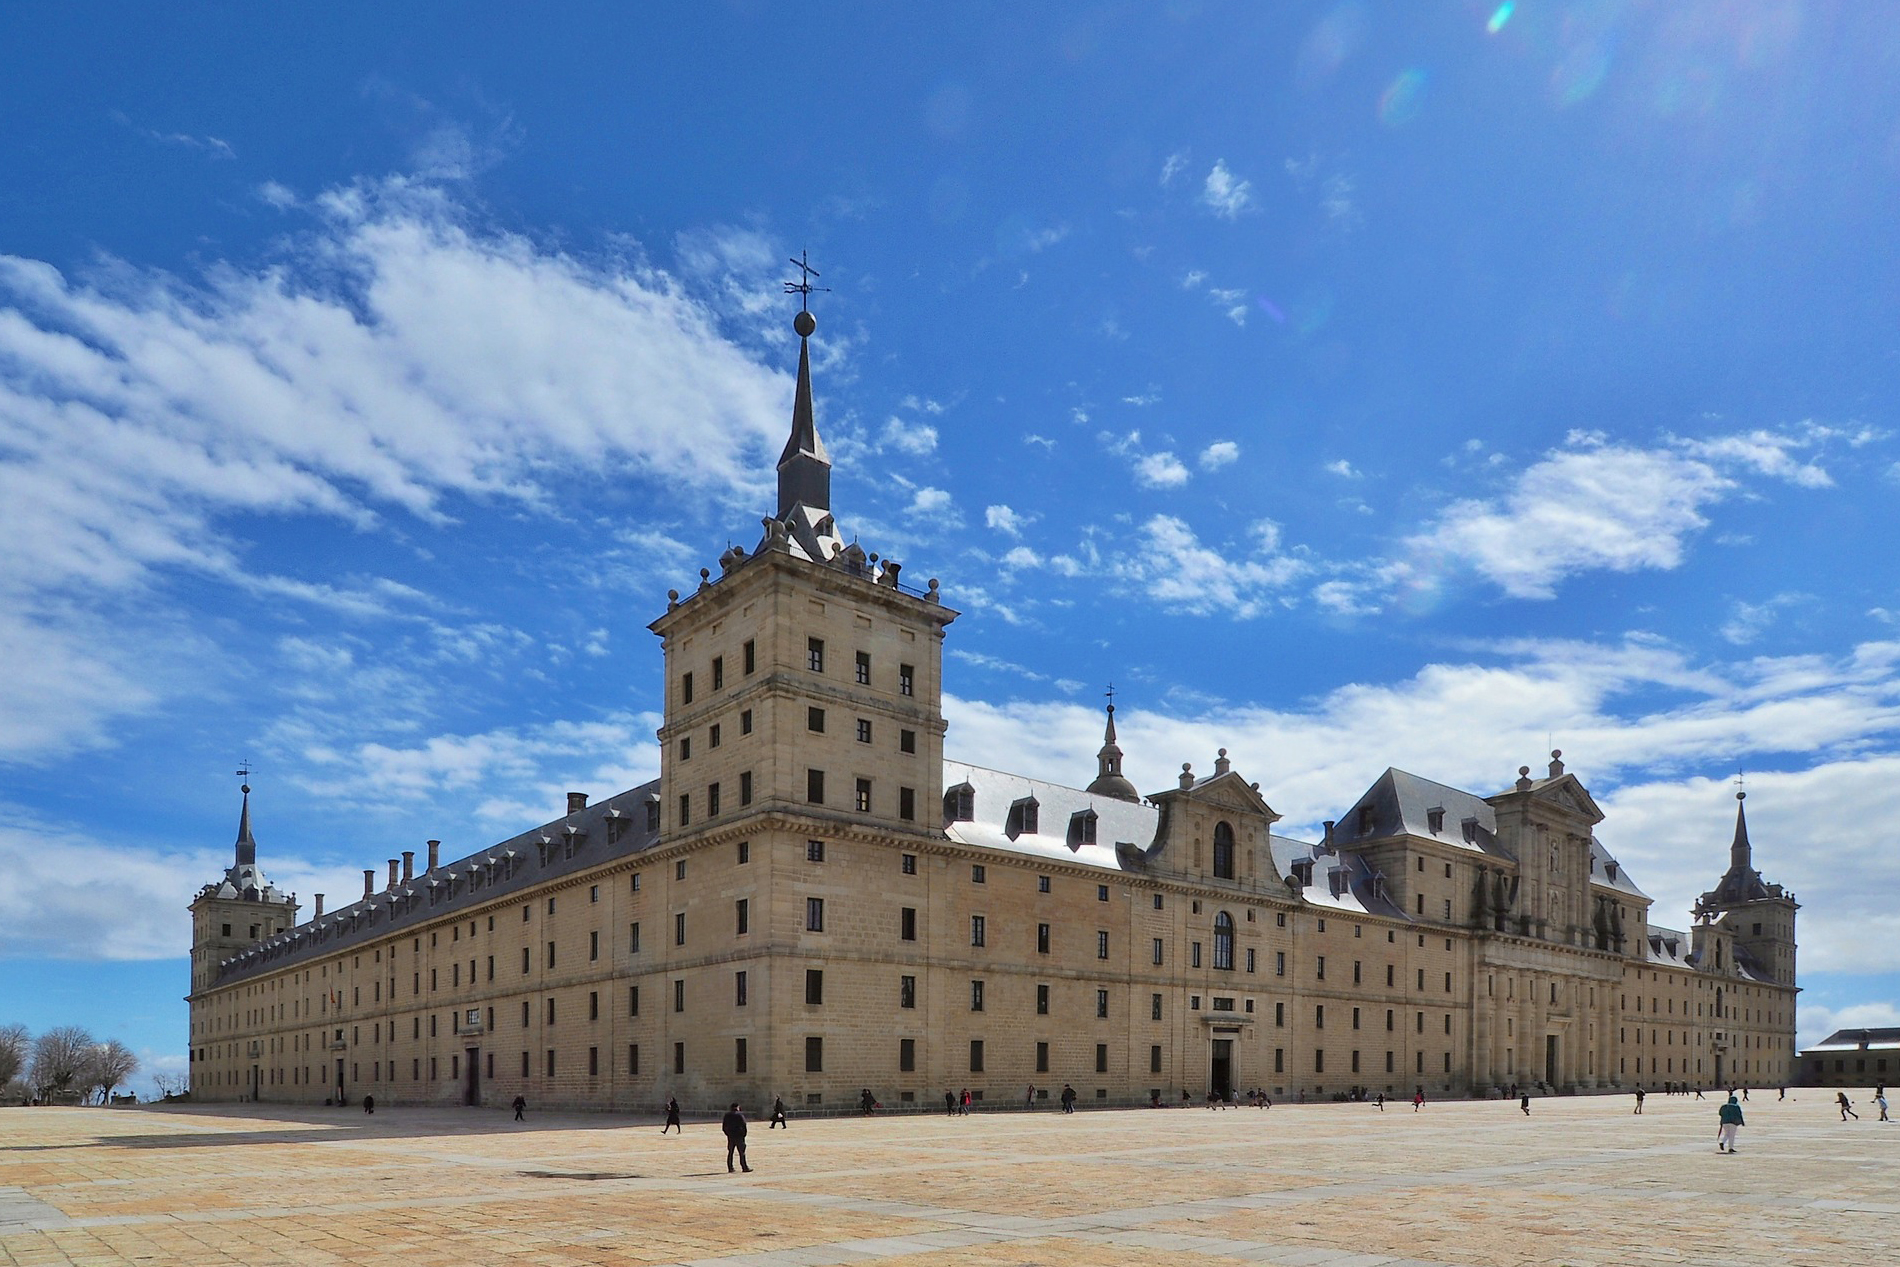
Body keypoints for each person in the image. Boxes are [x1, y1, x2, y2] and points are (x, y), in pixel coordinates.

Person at [722, 1101, 751, 1173]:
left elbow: (724, 1127)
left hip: (731, 1136)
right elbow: (744, 1125)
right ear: (738, 1107)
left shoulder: (727, 1115)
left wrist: (728, 1134)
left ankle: (730, 1168)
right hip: (739, 1136)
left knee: (730, 1152)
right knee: (742, 1152)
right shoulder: (740, 1115)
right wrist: (744, 1135)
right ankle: (744, 1167)